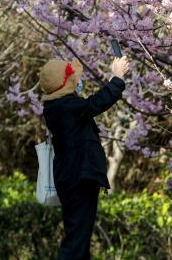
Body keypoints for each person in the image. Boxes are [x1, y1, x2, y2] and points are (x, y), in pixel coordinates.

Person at [40, 56, 130, 260]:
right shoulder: (65, 106)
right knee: (76, 240)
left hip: (72, 177)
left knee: (79, 237)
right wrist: (117, 78)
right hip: (78, 178)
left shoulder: (57, 107)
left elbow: (89, 106)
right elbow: (97, 103)